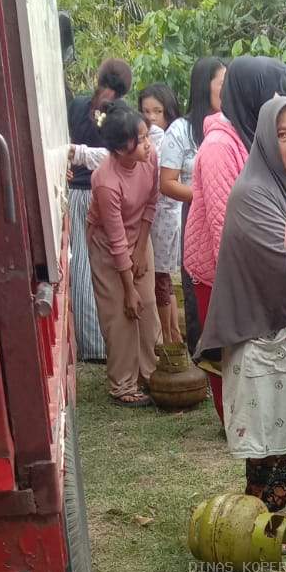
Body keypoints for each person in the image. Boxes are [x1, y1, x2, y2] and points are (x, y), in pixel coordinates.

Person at [196, 98, 286, 519]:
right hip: (261, 331)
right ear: (266, 140)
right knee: (271, 427)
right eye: (283, 135)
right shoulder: (252, 193)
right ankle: (263, 519)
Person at [186, 57, 286, 427]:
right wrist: (252, 282)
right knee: (231, 343)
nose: (280, 100)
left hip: (255, 265)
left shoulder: (253, 133)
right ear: (251, 94)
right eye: (273, 92)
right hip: (222, 271)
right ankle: (234, 422)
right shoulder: (221, 144)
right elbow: (224, 226)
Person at [86, 102, 161, 408]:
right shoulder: (105, 181)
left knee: (147, 306)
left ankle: (151, 373)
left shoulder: (151, 158)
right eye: (139, 139)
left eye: (146, 136)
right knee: (120, 313)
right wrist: (128, 288)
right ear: (118, 148)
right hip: (107, 246)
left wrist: (141, 251)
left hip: (139, 235)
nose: (147, 144)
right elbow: (116, 241)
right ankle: (123, 384)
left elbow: (151, 204)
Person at [160, 57, 227, 353]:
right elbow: (167, 182)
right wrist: (204, 196)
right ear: (205, 86)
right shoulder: (181, 130)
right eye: (222, 83)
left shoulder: (233, 124)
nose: (227, 90)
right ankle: (202, 354)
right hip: (195, 217)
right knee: (198, 284)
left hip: (227, 215)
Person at [68, 57, 133, 362]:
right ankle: (109, 340)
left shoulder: (78, 105)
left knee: (81, 268)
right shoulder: (121, 113)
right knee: (108, 265)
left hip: (77, 193)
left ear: (98, 76)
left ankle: (93, 343)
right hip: (106, 194)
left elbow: (65, 144)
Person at [138, 83, 185, 344]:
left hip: (167, 215)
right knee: (161, 276)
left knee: (162, 276)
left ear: (169, 111)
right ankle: (171, 334)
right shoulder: (149, 141)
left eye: (158, 111)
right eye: (146, 112)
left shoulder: (171, 139)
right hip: (156, 216)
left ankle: (171, 335)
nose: (153, 118)